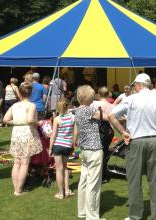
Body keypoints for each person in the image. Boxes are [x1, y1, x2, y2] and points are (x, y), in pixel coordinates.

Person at [109, 73, 156, 220]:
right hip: (155, 141)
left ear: (138, 85)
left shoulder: (131, 99)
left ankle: (135, 216)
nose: (134, 88)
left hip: (136, 142)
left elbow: (111, 115)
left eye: (134, 85)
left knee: (134, 180)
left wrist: (123, 132)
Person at [75, 85, 108, 220]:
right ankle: (92, 216)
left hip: (85, 150)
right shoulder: (90, 110)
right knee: (93, 184)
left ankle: (82, 211)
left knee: (83, 181)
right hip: (94, 150)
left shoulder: (77, 111)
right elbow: (107, 117)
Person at [3, 83, 42, 196]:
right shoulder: (31, 105)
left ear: (19, 93)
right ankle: (18, 190)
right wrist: (38, 122)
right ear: (31, 93)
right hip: (27, 132)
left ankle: (16, 188)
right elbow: (30, 120)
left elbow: (5, 119)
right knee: (24, 163)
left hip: (16, 132)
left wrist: (15, 122)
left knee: (17, 162)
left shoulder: (14, 105)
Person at [49, 98, 76, 199]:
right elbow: (75, 133)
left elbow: (53, 135)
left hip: (58, 145)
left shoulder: (57, 119)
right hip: (67, 146)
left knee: (59, 169)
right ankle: (67, 190)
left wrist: (50, 148)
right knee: (65, 168)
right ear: (68, 106)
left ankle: (61, 193)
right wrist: (73, 144)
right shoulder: (73, 117)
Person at [91, 86, 115, 183]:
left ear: (98, 93)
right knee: (104, 153)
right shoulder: (112, 106)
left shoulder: (93, 104)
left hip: (98, 131)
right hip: (109, 132)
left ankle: (99, 175)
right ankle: (103, 175)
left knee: (97, 154)